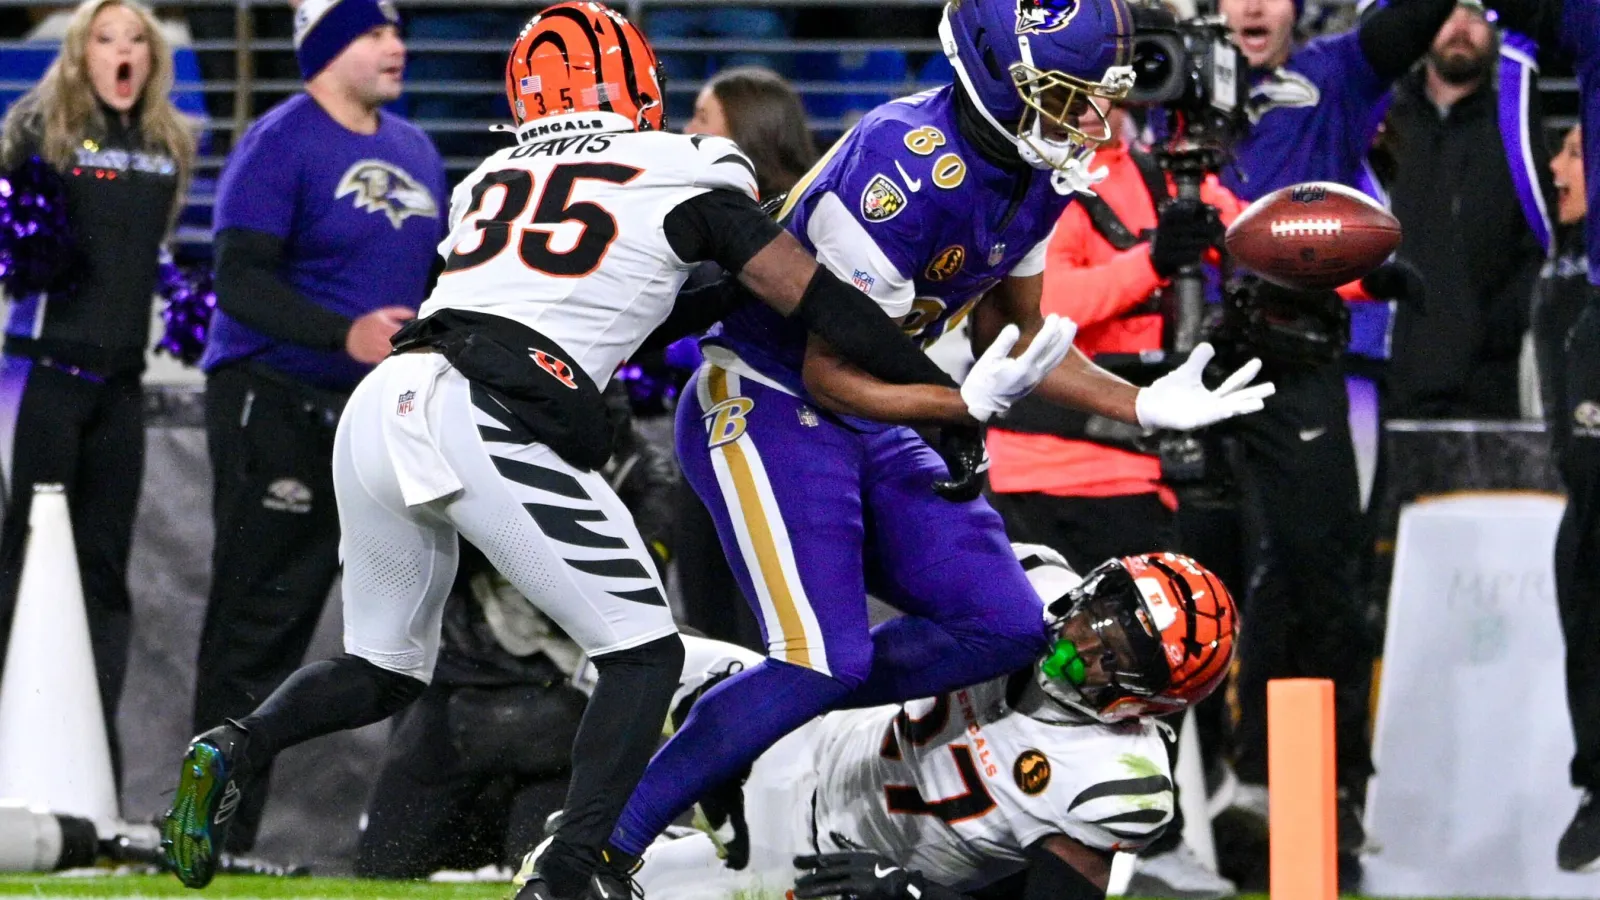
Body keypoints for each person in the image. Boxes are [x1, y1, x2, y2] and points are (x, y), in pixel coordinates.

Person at [164, 3, 1068, 898]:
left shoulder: (491, 176)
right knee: (644, 655)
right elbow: (817, 302)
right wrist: (945, 401)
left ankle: (234, 744)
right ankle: (577, 868)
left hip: (386, 400)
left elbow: (627, 301)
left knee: (382, 668)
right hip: (489, 411)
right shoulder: (685, 164)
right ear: (639, 81)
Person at [603, 0, 1275, 876]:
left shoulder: (1032, 170)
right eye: (1069, 95)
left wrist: (1141, 405)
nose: (1092, 119)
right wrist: (954, 406)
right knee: (822, 662)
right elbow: (827, 369)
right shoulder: (904, 170)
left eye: (1093, 96)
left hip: (880, 405)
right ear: (999, 74)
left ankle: (749, 710)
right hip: (770, 398)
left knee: (1005, 626)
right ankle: (601, 852)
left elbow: (1023, 337)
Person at [179, 0, 447, 861]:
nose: (396, 45)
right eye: (374, 32)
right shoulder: (281, 140)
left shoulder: (415, 149)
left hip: (385, 422)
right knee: (259, 623)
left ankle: (427, 842)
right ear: (326, 50)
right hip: (280, 404)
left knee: (416, 629)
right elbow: (238, 281)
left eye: (397, 30)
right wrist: (344, 334)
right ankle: (214, 838)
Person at [1205, 0, 1452, 878]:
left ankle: (1320, 790)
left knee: (1319, 576)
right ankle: (1207, 802)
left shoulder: (1337, 73)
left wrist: (1366, 273)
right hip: (1178, 364)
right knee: (1212, 581)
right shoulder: (1160, 78)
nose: (1251, 7)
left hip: (1311, 366)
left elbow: (1418, 21)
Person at [631, 544, 1238, 900]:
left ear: (1147, 702)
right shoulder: (1036, 582)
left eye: (1115, 659)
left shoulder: (1117, 781)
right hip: (808, 734)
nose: (1082, 647)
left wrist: (907, 892)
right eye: (1098, 618)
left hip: (822, 864)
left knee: (622, 887)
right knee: (641, 659)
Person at [355, 384, 677, 879]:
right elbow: (428, 567)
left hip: (567, 698)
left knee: (541, 870)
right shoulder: (481, 451)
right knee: (383, 868)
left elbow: (622, 589)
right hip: (464, 686)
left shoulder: (646, 476)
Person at [0, 0, 195, 784]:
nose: (124, 52)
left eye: (137, 39)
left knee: (104, 575)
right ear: (82, 51)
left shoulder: (166, 143)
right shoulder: (35, 131)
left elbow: (155, 256)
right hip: (43, 376)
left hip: (122, 386)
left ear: (152, 56)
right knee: (22, 562)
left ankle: (90, 763)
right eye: (107, 38)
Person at [677, 65, 818, 652]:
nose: (686, 130)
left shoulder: (804, 223)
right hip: (707, 433)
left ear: (748, 133)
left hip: (780, 447)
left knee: (778, 640)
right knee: (714, 635)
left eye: (703, 118)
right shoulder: (696, 210)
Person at [1381, 0, 1552, 418]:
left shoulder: (1520, 129)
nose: (1460, 27)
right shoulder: (1381, 123)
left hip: (1486, 384)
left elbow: (1541, 244)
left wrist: (1497, 329)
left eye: (1475, 14)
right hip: (1385, 380)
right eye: (1446, 11)